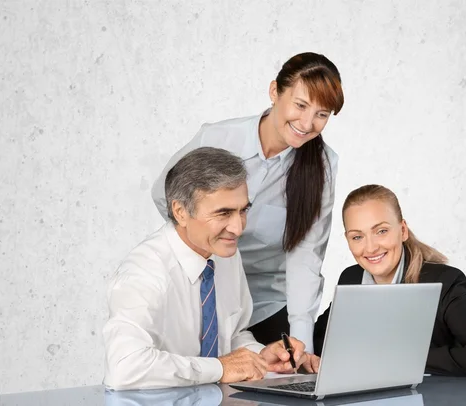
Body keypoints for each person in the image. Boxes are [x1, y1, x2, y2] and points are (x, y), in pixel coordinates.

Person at [151, 52, 344, 353]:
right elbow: (166, 194)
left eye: (322, 114)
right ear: (274, 92)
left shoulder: (323, 166)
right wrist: (201, 256)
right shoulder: (217, 138)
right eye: (301, 105)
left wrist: (301, 341)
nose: (307, 123)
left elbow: (306, 256)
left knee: (280, 389)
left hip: (266, 303)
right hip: (200, 293)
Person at [103, 147, 319, 390]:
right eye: (223, 213)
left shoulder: (225, 253)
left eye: (243, 210)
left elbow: (233, 333)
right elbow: (125, 368)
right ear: (180, 212)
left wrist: (261, 357)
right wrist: (220, 367)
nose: (238, 228)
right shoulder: (144, 272)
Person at [313, 185, 466, 377]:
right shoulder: (351, 278)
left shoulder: (444, 282)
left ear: (403, 230)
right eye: (357, 237)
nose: (370, 248)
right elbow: (323, 339)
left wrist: (395, 357)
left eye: (381, 231)